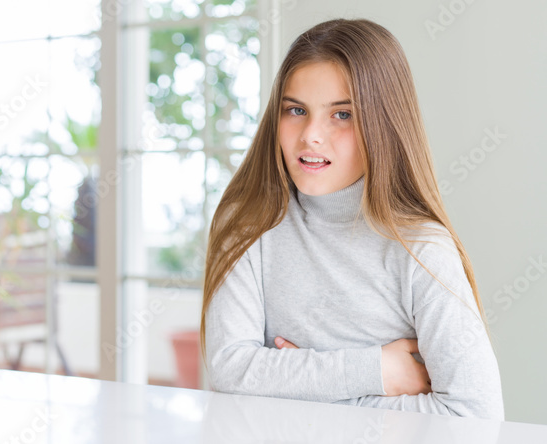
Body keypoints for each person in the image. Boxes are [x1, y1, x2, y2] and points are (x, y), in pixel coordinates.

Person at [200, 18, 504, 420]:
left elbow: (475, 415)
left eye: (342, 115)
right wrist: (380, 371)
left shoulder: (420, 249)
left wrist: (300, 389)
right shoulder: (248, 226)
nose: (311, 135)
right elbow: (230, 370)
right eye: (296, 110)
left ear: (385, 125)